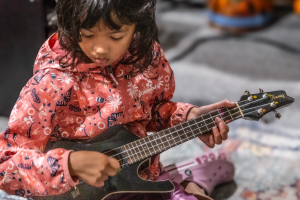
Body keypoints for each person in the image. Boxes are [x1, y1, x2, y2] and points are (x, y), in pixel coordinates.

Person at [0, 0, 236, 199]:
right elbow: (5, 165)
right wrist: (69, 164)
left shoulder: (148, 59)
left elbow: (152, 111)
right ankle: (189, 179)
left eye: (116, 35)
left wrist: (188, 117)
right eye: (87, 34)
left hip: (141, 176)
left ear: (138, 24)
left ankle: (187, 182)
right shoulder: (50, 84)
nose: (100, 49)